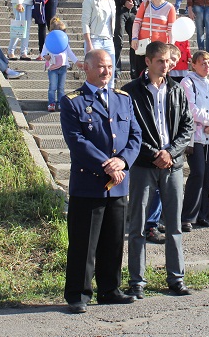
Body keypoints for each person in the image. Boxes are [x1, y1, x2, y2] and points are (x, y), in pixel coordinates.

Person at [60, 49, 141, 314]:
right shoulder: (72, 102)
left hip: (118, 183)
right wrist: (108, 165)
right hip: (89, 184)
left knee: (113, 240)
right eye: (100, 67)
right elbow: (77, 141)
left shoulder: (123, 99)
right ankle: (78, 294)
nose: (106, 72)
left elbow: (135, 136)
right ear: (86, 68)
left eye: (109, 67)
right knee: (84, 243)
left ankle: (110, 289)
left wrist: (124, 162)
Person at [121, 41, 194, 299]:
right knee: (138, 226)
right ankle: (136, 281)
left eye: (168, 61)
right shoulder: (130, 91)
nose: (166, 66)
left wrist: (170, 152)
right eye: (161, 61)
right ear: (148, 62)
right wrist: (154, 154)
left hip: (172, 164)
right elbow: (127, 132)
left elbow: (187, 127)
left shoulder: (177, 89)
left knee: (173, 224)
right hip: (144, 165)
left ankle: (176, 278)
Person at [180, 50, 209, 230]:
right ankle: (187, 216)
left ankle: (202, 214)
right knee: (197, 173)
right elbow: (191, 108)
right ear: (194, 64)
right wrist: (208, 121)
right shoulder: (187, 82)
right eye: (203, 63)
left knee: (206, 176)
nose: (207, 66)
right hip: (196, 136)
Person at [131, 0, 175, 76]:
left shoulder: (169, 7)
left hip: (160, 46)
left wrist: (171, 46)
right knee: (141, 73)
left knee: (158, 73)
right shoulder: (145, 3)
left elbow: (171, 29)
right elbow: (137, 22)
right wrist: (134, 38)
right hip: (144, 45)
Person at [82, 0, 117, 87]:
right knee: (96, 72)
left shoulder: (111, 1)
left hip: (108, 39)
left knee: (111, 73)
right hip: (95, 38)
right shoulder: (90, 0)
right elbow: (85, 22)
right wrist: (88, 43)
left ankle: (110, 98)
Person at [41, 17, 80, 112]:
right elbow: (42, 53)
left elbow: (70, 53)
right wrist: (46, 57)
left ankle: (60, 103)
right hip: (52, 67)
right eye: (62, 31)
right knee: (52, 87)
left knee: (61, 87)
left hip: (63, 67)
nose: (64, 33)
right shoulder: (49, 41)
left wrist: (77, 62)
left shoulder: (64, 41)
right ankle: (51, 103)